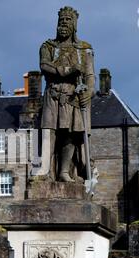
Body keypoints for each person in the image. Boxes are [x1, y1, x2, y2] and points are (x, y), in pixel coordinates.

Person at [36, 6, 95, 182]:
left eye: (68, 20)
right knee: (49, 132)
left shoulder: (84, 49)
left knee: (71, 134)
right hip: (53, 94)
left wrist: (90, 92)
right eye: (61, 19)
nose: (63, 22)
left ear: (75, 24)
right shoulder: (47, 46)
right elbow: (44, 65)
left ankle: (63, 172)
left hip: (73, 96)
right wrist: (67, 70)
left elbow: (90, 75)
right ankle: (44, 170)